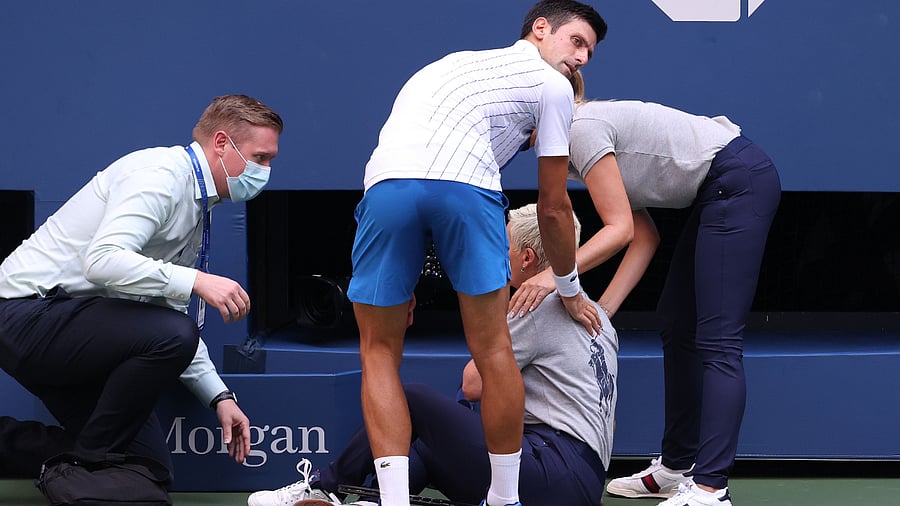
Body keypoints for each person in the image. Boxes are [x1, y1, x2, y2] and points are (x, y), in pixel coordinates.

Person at [344, 2, 607, 506]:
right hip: (465, 193)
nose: (582, 58)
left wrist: (405, 280)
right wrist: (569, 288)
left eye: (589, 52)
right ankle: (505, 501)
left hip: (384, 190)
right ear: (540, 28)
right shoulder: (554, 88)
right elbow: (552, 210)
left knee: (378, 352)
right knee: (492, 351)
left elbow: (415, 180)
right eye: (577, 42)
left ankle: (393, 501)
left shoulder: (447, 65)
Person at [508, 72, 782, 506]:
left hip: (737, 180)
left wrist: (555, 278)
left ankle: (712, 488)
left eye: (521, 121)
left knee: (719, 342)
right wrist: (603, 310)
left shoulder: (581, 130)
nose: (518, 132)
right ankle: (678, 467)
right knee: (676, 321)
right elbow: (643, 234)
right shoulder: (576, 143)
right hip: (719, 188)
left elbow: (617, 231)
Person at [248, 203, 618, 506]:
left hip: (550, 472)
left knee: (412, 400)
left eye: (502, 247)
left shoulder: (534, 303)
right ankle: (375, 503)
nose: (497, 256)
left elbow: (473, 384)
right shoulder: (599, 315)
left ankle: (325, 484)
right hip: (583, 483)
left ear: (526, 258)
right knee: (431, 443)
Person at [0, 94, 283, 487]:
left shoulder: (198, 203)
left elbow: (167, 312)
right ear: (221, 143)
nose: (266, 171)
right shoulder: (160, 175)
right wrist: (199, 281)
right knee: (173, 334)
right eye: (261, 157)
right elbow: (101, 261)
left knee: (147, 472)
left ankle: (60, 455)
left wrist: (220, 396)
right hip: (23, 315)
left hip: (76, 333)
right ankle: (90, 464)